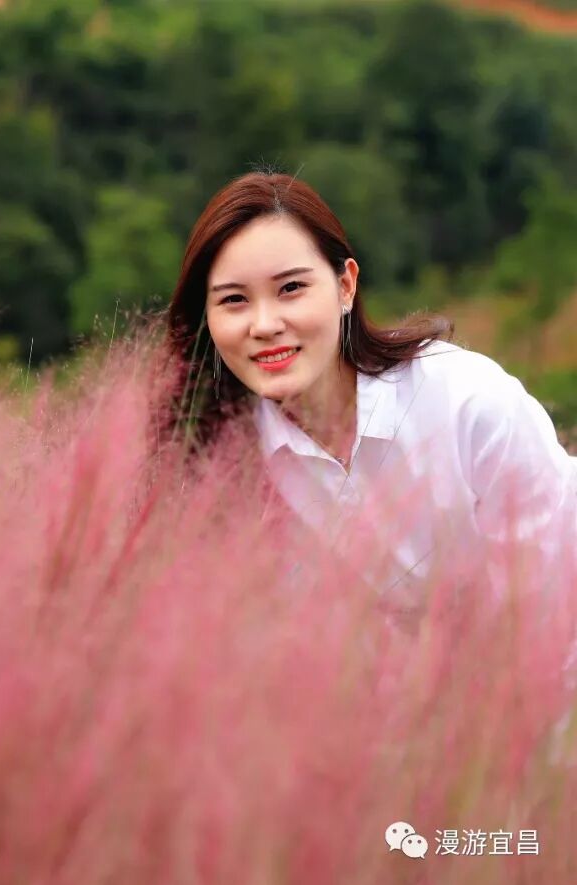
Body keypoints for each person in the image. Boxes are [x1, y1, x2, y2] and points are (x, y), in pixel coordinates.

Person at [158, 171, 576, 611]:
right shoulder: (216, 472)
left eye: (291, 288)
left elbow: (554, 607)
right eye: (234, 300)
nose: (264, 325)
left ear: (346, 286)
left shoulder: (466, 404)